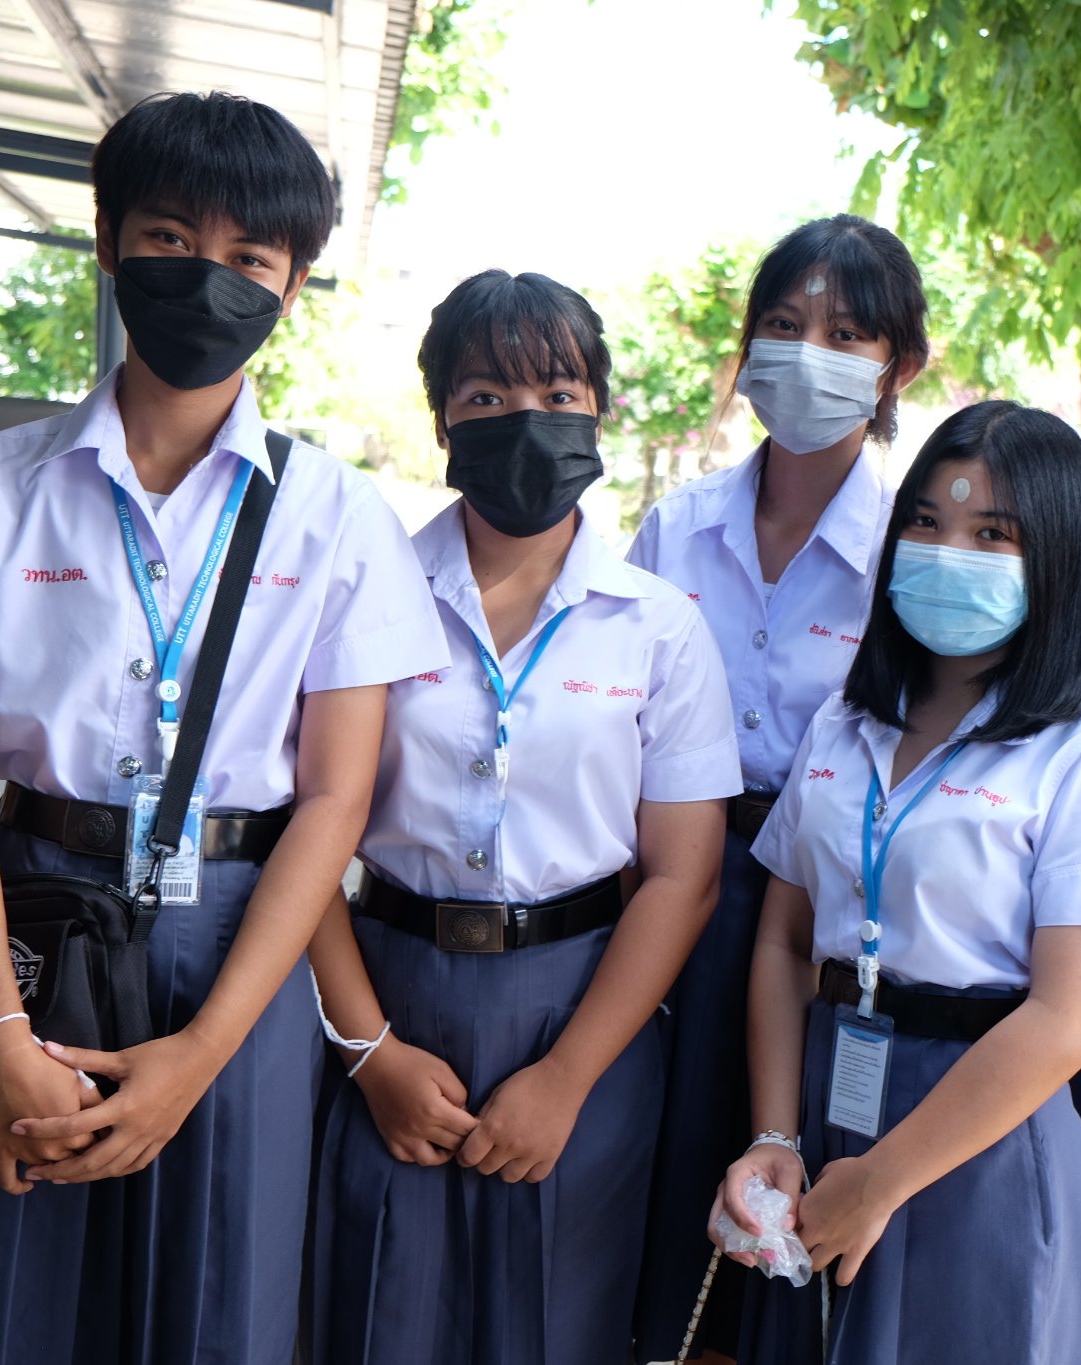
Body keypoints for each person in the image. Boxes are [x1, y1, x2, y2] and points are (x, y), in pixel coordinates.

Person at [0, 92, 442, 1365]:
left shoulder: (337, 519)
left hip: (240, 942)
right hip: (30, 927)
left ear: (294, 284)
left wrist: (204, 1052)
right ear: (108, 243)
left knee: (215, 1314)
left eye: (251, 260)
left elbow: (334, 801)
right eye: (171, 239)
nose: (208, 280)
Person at [303, 269, 739, 1365]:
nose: (526, 421)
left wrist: (566, 1078)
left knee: (559, 1326)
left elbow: (681, 877)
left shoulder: (659, 628)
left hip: (582, 1004)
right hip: (391, 986)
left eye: (557, 390)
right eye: (486, 397)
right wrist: (367, 1052)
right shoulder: (368, 596)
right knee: (375, 1313)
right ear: (440, 415)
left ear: (600, 404)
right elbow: (307, 832)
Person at [716, 400, 1081, 1364]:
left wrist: (881, 1180)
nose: (947, 549)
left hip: (981, 1134)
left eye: (991, 533)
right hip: (831, 1094)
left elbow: (1069, 1019)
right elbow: (788, 945)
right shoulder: (844, 725)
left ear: (1058, 557)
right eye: (926, 520)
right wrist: (775, 1136)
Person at [626, 214, 929, 1362]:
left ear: (900, 366)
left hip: (826, 910)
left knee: (798, 1183)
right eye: (783, 325)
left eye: (845, 332)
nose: (808, 350)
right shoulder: (677, 527)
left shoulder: (918, 546)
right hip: (676, 884)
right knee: (666, 1175)